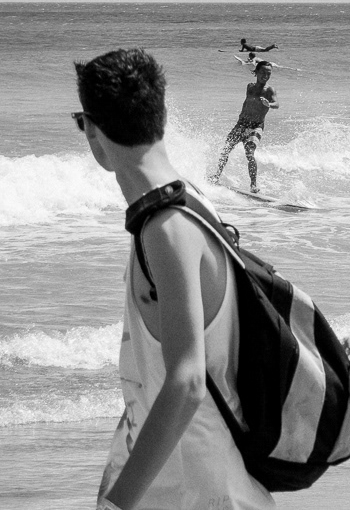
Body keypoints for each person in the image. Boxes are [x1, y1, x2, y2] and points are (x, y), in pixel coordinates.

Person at [75, 49, 273, 510]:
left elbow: (186, 384)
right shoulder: (194, 208)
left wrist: (116, 503)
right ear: (159, 115)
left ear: (94, 131)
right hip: (193, 484)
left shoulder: (166, 228)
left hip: (195, 494)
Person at [210, 61, 279, 194]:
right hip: (241, 125)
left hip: (256, 127)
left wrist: (269, 104)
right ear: (256, 72)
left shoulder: (270, 90)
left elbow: (277, 104)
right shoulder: (250, 87)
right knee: (226, 149)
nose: (266, 75)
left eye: (268, 73)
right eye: (263, 72)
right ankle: (216, 176)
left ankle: (253, 185)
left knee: (249, 153)